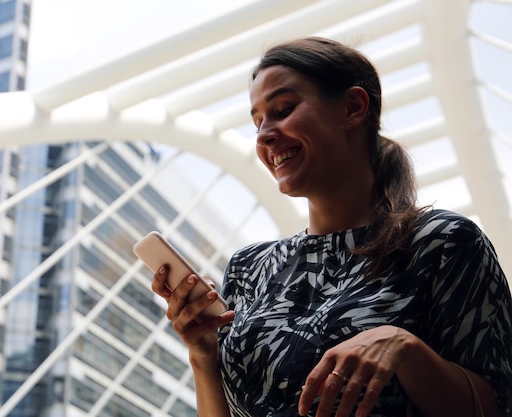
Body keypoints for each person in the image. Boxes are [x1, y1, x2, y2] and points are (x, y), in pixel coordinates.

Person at [151, 36, 512, 417]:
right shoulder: (248, 269)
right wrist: (203, 355)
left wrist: (405, 348)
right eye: (257, 122)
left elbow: (499, 405)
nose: (264, 135)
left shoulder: (442, 243)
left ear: (353, 108)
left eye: (283, 109)